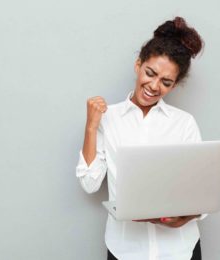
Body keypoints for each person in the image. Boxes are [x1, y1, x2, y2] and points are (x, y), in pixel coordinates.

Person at [76, 16, 205, 260]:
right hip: (126, 250)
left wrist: (186, 217)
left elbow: (199, 193)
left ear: (174, 86)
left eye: (166, 82)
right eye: (150, 73)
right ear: (138, 65)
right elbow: (90, 184)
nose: (154, 86)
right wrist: (91, 127)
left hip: (179, 249)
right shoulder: (108, 118)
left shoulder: (183, 123)